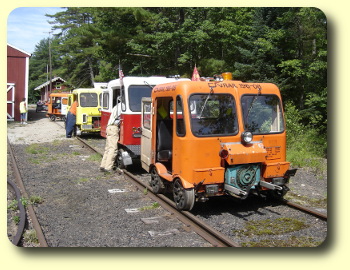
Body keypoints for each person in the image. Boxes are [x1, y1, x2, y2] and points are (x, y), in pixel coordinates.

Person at [100, 101, 122, 173]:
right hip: (114, 128)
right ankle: (108, 168)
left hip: (109, 127)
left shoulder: (116, 106)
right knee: (113, 149)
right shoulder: (123, 106)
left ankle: (103, 165)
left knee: (108, 148)